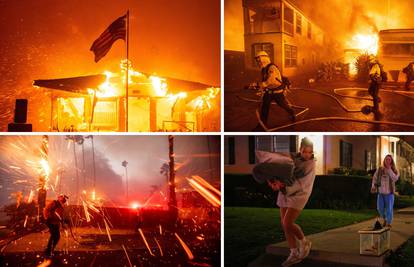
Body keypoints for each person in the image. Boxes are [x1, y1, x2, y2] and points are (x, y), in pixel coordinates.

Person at [268, 137, 316, 266]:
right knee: (284, 225)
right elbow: (280, 171)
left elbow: (301, 183)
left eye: (309, 152)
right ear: (300, 150)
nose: (307, 154)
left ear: (312, 152)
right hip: (284, 193)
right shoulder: (291, 158)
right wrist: (274, 182)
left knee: (288, 222)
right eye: (304, 151)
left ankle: (304, 241)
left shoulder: (310, 164)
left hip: (299, 194)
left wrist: (282, 186)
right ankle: (293, 253)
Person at [251, 51, 295, 129]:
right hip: (268, 92)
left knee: (283, 105)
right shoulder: (264, 69)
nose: (258, 62)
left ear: (264, 58)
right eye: (257, 60)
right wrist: (259, 87)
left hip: (277, 93)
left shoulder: (272, 67)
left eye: (259, 59)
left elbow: (271, 80)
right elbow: (265, 80)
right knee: (264, 108)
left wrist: (259, 85)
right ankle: (262, 125)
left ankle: (291, 112)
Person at [371, 155, 399, 227]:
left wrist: (389, 170)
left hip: (389, 194)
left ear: (391, 161)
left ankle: (388, 223)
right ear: (384, 160)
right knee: (379, 208)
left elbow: (395, 178)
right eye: (386, 159)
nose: (388, 161)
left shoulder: (394, 170)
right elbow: (374, 178)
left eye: (389, 160)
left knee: (389, 209)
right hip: (381, 193)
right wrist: (373, 186)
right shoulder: (380, 169)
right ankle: (385, 219)